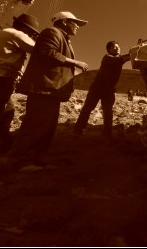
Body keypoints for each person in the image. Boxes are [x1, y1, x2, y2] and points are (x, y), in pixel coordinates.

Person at [9, 11, 89, 171]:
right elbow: (47, 52)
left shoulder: (63, 38)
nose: (78, 27)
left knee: (46, 128)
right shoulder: (52, 32)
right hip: (43, 89)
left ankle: (37, 159)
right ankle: (20, 162)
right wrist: (75, 62)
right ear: (65, 22)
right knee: (35, 126)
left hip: (51, 91)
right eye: (75, 23)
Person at [0, 13, 40, 154]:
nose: (32, 35)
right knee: (5, 112)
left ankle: (3, 141)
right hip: (3, 77)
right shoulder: (18, 35)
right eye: (32, 32)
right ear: (25, 29)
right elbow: (39, 50)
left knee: (5, 110)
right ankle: (2, 144)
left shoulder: (4, 32)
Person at [74, 41, 130, 138]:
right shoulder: (107, 58)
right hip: (98, 87)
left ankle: (107, 133)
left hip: (109, 89)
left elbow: (123, 58)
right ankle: (78, 129)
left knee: (108, 111)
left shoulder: (119, 58)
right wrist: (132, 54)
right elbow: (121, 59)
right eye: (114, 47)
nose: (117, 49)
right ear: (109, 50)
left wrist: (132, 53)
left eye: (118, 47)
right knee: (88, 108)